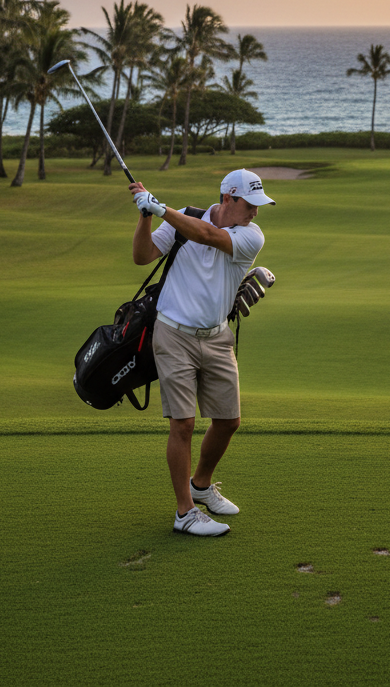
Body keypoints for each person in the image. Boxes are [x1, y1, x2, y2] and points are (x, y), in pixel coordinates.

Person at [129, 169, 275, 537]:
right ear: (228, 197)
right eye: (249, 204)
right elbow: (142, 256)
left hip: (217, 337)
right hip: (172, 333)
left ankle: (201, 485)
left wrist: (160, 208)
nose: (255, 212)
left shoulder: (250, 236)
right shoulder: (185, 218)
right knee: (183, 423)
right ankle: (185, 512)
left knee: (228, 421)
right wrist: (147, 216)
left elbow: (208, 236)